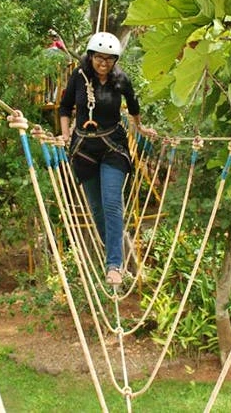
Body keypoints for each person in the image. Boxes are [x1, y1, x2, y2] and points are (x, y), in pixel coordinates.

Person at [56, 31, 156, 285]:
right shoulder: (78, 78)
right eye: (99, 58)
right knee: (97, 210)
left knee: (112, 203)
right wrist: (65, 134)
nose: (103, 63)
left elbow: (133, 106)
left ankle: (114, 264)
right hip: (83, 150)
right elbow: (65, 107)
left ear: (115, 60)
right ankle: (111, 251)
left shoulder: (120, 79)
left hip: (113, 147)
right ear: (90, 57)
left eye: (109, 59)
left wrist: (141, 128)